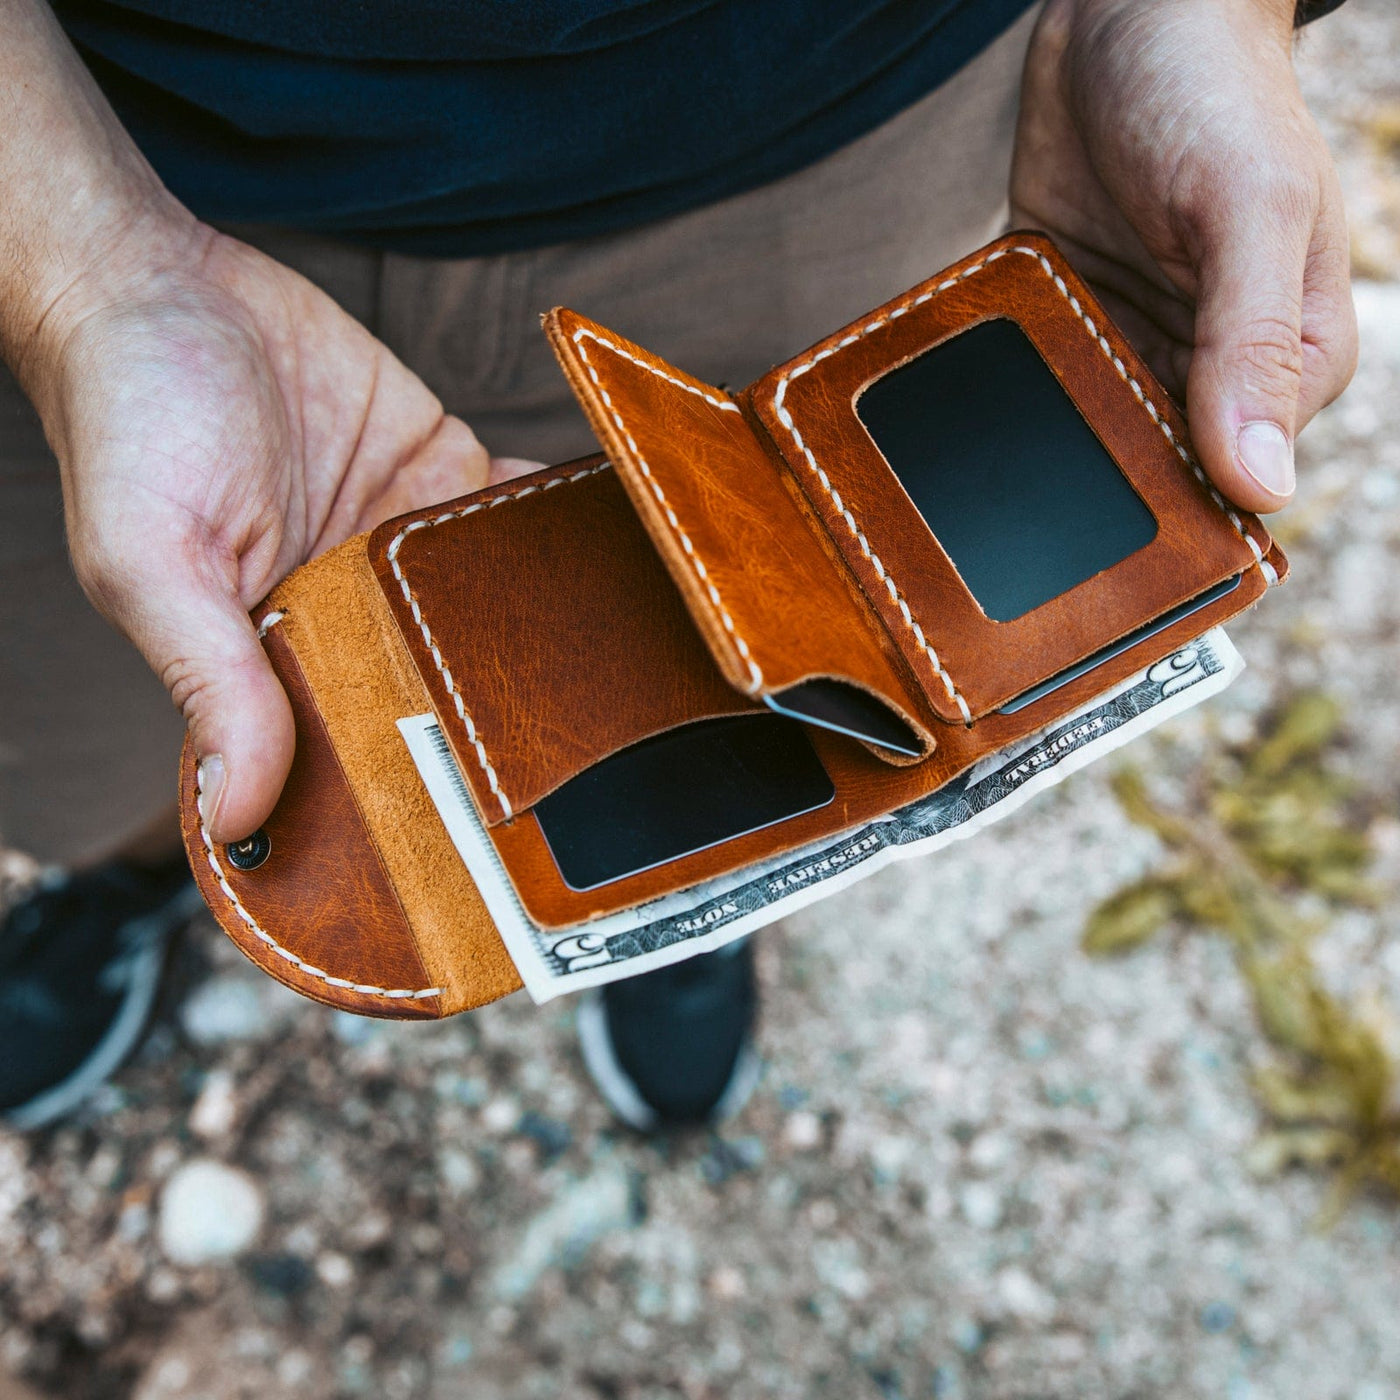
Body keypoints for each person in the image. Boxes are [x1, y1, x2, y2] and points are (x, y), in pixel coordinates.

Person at [0, 0, 1357, 1130]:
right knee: (117, 731)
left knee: (806, 646)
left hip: (837, 131)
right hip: (103, 146)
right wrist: (79, 273)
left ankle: (690, 898)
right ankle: (144, 875)